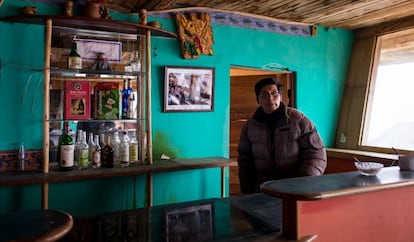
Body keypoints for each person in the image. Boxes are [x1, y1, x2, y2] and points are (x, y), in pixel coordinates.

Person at [237, 77, 327, 194]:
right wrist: (247, 190)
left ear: (280, 96)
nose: (270, 98)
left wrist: (304, 182)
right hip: (264, 188)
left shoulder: (298, 120)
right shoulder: (250, 126)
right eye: (264, 95)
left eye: (274, 93)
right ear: (258, 99)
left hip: (295, 187)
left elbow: (316, 155)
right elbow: (245, 161)